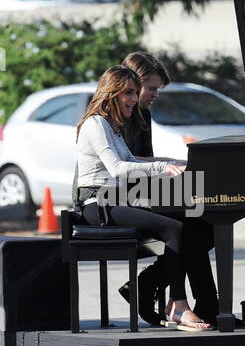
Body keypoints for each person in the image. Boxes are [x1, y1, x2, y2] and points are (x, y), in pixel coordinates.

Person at [76, 65, 211, 330]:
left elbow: (132, 160)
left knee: (194, 220)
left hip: (116, 199)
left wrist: (175, 162)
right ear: (111, 93)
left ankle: (181, 299)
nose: (135, 99)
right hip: (98, 205)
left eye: (136, 92)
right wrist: (162, 168)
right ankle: (178, 305)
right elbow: (117, 168)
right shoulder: (95, 124)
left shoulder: (111, 125)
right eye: (128, 92)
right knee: (174, 227)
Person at [118, 52, 219, 326]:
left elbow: (145, 166)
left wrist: (173, 178)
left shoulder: (144, 116)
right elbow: (126, 165)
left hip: (137, 190)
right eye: (151, 88)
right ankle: (203, 303)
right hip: (115, 197)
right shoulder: (118, 116)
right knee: (190, 222)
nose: (155, 94)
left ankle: (151, 283)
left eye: (157, 89)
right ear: (133, 83)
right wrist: (167, 170)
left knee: (205, 222)